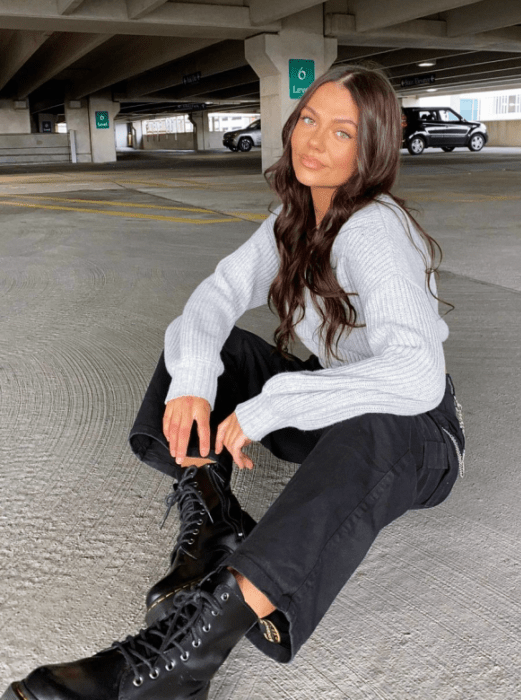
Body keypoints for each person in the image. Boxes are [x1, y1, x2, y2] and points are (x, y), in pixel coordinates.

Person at [2, 64, 465, 700]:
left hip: (418, 434)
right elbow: (217, 295)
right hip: (335, 401)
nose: (312, 140)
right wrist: (195, 380)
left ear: (373, 148)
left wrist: (273, 404)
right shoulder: (297, 216)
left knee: (372, 430)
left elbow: (415, 374)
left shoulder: (375, 229)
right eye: (308, 119)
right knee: (194, 342)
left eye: (341, 132)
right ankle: (215, 514)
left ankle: (184, 659)